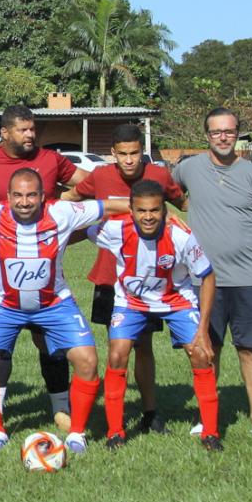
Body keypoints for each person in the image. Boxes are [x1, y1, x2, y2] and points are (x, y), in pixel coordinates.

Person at [0, 169, 128, 453]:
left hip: (54, 305)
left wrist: (155, 208)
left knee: (87, 361)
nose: (24, 202)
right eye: (18, 196)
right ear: (8, 197)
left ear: (43, 196)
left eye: (31, 195)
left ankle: (76, 434)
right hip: (4, 307)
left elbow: (108, 205)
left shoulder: (62, 212)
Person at [0, 105, 89, 429]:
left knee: (51, 341)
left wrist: (68, 201)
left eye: (33, 129)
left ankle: (61, 408)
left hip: (44, 270)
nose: (31, 135)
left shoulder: (49, 159)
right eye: (23, 129)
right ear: (5, 133)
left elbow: (87, 185)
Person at [62, 123, 185, 433]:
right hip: (109, 276)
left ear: (142, 152)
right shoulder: (101, 176)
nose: (129, 160)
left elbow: (182, 202)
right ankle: (113, 415)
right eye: (123, 154)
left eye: (135, 153)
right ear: (113, 154)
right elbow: (71, 198)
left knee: (143, 346)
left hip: (148, 280)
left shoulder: (158, 175)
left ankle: (149, 412)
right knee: (116, 347)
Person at [172, 107, 252, 440]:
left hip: (248, 278)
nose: (223, 137)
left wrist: (249, 242)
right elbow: (167, 194)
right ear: (206, 135)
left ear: (238, 135)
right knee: (208, 348)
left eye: (229, 132)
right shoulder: (188, 169)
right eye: (216, 132)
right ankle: (207, 417)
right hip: (204, 282)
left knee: (248, 348)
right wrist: (180, 222)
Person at [90, 180, 222, 451]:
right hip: (131, 303)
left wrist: (203, 329)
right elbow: (79, 220)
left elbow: (208, 277)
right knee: (117, 354)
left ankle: (211, 433)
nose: (148, 217)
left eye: (154, 210)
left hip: (177, 301)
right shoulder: (115, 229)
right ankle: (115, 433)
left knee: (200, 353)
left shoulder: (181, 236)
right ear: (131, 210)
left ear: (164, 210)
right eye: (141, 210)